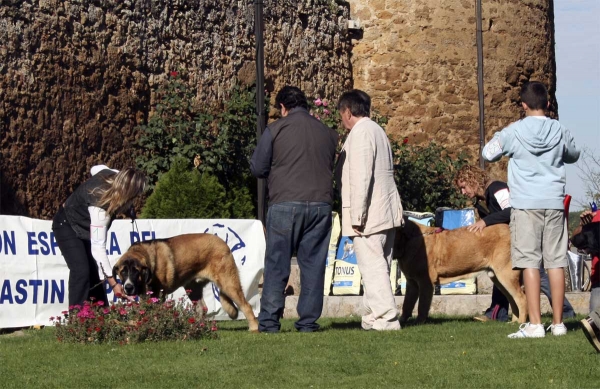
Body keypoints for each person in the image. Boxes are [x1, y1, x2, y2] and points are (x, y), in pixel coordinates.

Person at [482, 81, 580, 338]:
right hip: (553, 202)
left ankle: (535, 324)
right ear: (547, 104)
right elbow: (574, 154)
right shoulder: (558, 129)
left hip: (526, 204)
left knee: (530, 263)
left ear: (523, 105)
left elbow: (488, 153)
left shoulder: (514, 131)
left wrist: (503, 133)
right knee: (556, 263)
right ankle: (558, 323)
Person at [250, 86, 338, 333]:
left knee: (277, 263)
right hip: (320, 205)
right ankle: (308, 322)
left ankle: (269, 322)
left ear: (283, 107)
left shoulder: (276, 129)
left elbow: (258, 168)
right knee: (313, 265)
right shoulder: (328, 133)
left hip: (285, 203)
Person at [454, 165, 575, 322]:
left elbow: (513, 210)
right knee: (500, 274)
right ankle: (498, 313)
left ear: (473, 179)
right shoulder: (480, 202)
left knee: (539, 275)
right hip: (508, 242)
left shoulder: (497, 189)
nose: (463, 192)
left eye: (464, 187)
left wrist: (485, 221)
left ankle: (566, 311)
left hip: (525, 236)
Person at [335, 89, 404, 331]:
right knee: (378, 267)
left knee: (373, 268)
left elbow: (361, 177)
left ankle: (386, 318)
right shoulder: (377, 130)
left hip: (370, 215)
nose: (341, 119)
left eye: (341, 113)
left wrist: (357, 216)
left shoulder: (361, 132)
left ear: (348, 111)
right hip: (383, 211)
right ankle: (372, 317)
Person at [53, 165, 147, 307]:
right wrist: (114, 284)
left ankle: (100, 318)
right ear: (128, 193)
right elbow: (98, 248)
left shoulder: (111, 174)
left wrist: (128, 208)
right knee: (81, 271)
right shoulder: (100, 212)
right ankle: (76, 322)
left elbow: (94, 169)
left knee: (95, 274)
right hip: (66, 225)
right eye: (134, 197)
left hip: (84, 226)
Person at [572, 209, 600, 352]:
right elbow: (575, 239)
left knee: (595, 323)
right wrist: (583, 225)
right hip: (599, 281)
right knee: (594, 328)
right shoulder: (597, 215)